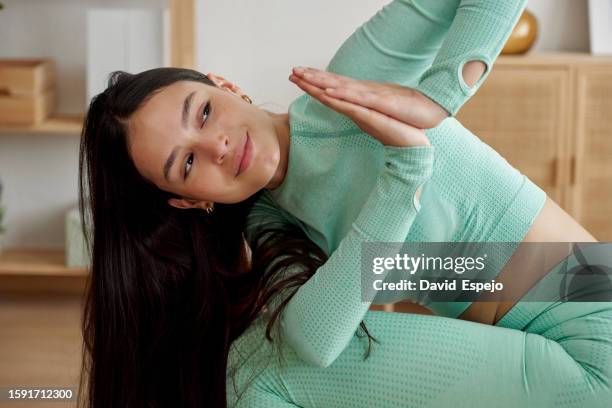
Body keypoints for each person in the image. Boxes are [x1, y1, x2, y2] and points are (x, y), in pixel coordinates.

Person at [76, 0, 611, 407]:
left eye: (205, 112)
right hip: (519, 323)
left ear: (226, 85)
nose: (214, 146)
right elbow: (315, 338)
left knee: (260, 375)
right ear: (190, 204)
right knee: (259, 363)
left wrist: (436, 99)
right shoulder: (272, 223)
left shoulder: (349, 86)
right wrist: (404, 176)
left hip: (590, 314)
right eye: (187, 164)